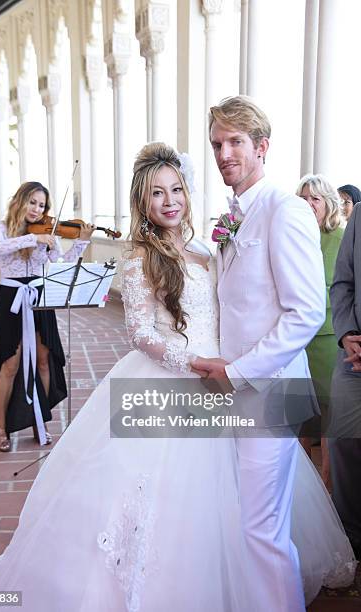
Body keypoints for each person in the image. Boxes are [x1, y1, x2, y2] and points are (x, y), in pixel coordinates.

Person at [0, 144, 355, 612]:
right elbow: (140, 333)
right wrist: (192, 365)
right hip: (172, 382)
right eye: (157, 193)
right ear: (142, 202)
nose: (170, 201)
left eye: (176, 189)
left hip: (229, 381)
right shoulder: (140, 256)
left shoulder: (209, 248)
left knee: (248, 503)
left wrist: (231, 364)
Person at [191, 96, 341, 611]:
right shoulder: (232, 217)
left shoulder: (286, 209)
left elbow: (305, 314)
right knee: (246, 518)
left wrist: (236, 372)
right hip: (233, 391)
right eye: (217, 144)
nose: (225, 153)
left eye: (236, 142)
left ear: (262, 147)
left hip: (270, 390)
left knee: (261, 528)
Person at [0, 181, 93, 451]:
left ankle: (39, 419)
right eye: (33, 202)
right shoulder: (0, 228)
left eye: (42, 205)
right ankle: (1, 426)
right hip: (12, 297)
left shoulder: (48, 233)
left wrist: (80, 244)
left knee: (44, 360)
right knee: (10, 363)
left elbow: (61, 266)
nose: (37, 209)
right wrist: (34, 238)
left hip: (39, 295)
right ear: (20, 200)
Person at [296, 174, 343, 484]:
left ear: (329, 204)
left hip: (326, 337)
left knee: (327, 419)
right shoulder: (295, 234)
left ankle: (327, 485)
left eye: (315, 198)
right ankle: (300, 488)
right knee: (298, 414)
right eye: (304, 198)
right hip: (296, 338)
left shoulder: (338, 237)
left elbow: (339, 288)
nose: (309, 204)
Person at [329, 201, 361, 560]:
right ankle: (352, 536)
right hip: (355, 351)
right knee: (343, 441)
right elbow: (343, 284)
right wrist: (346, 334)